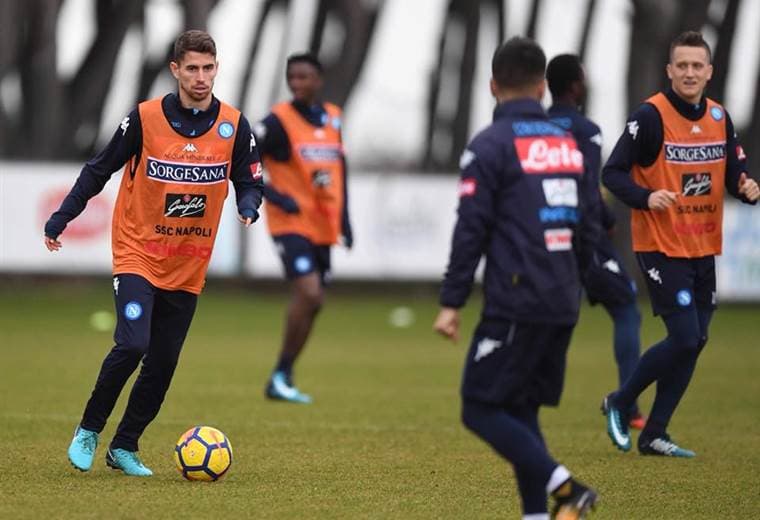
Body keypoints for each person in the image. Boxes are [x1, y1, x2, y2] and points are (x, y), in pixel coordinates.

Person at [44, 30, 264, 476]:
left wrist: (247, 205)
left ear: (216, 68)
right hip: (138, 252)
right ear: (176, 70)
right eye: (192, 69)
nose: (201, 77)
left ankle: (124, 446)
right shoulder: (145, 119)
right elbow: (99, 168)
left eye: (208, 68)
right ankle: (89, 429)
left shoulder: (234, 126)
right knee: (133, 345)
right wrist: (62, 216)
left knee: (163, 362)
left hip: (188, 262)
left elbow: (250, 178)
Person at [433, 37, 600, 520]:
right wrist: (580, 283)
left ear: (492, 85)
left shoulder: (491, 145)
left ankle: (566, 488)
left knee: (479, 408)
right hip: (562, 298)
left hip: (516, 299)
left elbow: (471, 229)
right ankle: (535, 515)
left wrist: (452, 301)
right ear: (543, 87)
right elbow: (590, 225)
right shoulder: (568, 144)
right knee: (521, 411)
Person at [601, 30, 759, 458]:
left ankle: (654, 433)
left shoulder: (719, 118)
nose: (689, 72)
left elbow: (729, 177)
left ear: (709, 72)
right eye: (681, 65)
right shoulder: (649, 117)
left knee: (698, 338)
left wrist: (743, 186)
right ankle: (619, 401)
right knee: (686, 338)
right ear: (670, 70)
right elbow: (612, 173)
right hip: (660, 244)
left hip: (703, 246)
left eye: (697, 66)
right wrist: (646, 196)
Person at [546, 54, 645, 430]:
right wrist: (605, 221)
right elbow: (587, 187)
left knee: (549, 319)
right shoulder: (586, 130)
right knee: (625, 307)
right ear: (575, 85)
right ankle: (630, 407)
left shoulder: (533, 127)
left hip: (543, 237)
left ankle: (518, 397)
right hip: (584, 237)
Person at [253, 52, 352, 404]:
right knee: (309, 293)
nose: (297, 83)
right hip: (290, 223)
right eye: (292, 77)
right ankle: (281, 373)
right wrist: (275, 195)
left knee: (315, 302)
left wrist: (346, 220)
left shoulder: (333, 118)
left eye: (304, 77)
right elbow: (247, 160)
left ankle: (282, 375)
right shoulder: (277, 121)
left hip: (323, 224)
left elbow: (340, 167)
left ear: (318, 80)